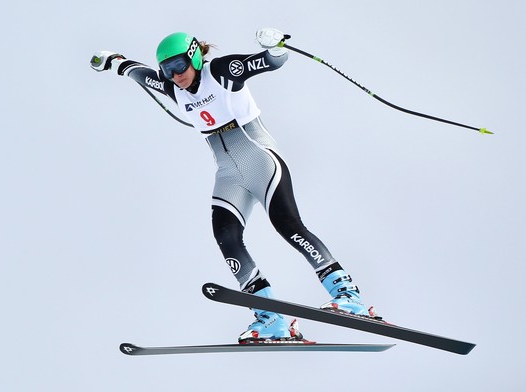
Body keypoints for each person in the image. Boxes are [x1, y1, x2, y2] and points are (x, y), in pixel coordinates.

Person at [91, 28, 381, 343]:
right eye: (168, 70)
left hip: (260, 160)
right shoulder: (172, 87)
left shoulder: (222, 72)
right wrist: (114, 62)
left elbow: (272, 61)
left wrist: (275, 46)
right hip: (229, 172)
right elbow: (139, 73)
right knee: (226, 236)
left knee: (289, 226)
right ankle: (270, 318)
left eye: (179, 66)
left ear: (195, 57)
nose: (175, 76)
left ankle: (347, 295)